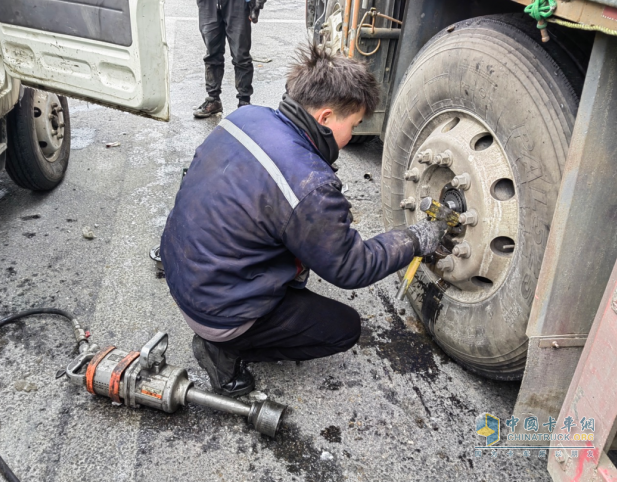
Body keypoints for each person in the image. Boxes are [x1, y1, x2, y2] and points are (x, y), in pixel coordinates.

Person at [161, 44, 447, 397]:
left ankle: (239, 321)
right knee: (344, 328)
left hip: (181, 268)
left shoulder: (244, 117)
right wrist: (417, 238)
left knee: (299, 247)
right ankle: (224, 349)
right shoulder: (309, 185)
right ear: (325, 118)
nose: (351, 137)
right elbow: (352, 267)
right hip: (217, 313)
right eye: (353, 125)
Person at [193, 0, 266, 118]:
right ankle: (213, 99)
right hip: (208, 4)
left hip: (237, 4)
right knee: (212, 54)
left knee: (241, 56)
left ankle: (244, 102)